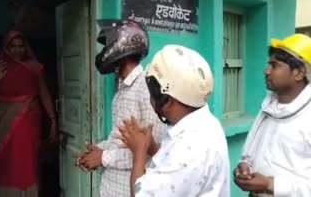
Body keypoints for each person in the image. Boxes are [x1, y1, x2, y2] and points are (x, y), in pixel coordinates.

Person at [117, 45, 230, 197]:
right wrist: (153, 148)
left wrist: (139, 152)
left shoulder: (188, 149)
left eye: (151, 91)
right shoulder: (208, 123)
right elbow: (174, 171)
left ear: (167, 100)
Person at [76, 19, 165, 197]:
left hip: (130, 190)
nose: (103, 51)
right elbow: (118, 138)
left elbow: (151, 150)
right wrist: (98, 150)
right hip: (111, 187)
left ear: (122, 46)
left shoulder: (145, 88)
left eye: (107, 44)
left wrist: (102, 158)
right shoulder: (122, 89)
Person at [234, 34, 311, 197]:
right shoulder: (269, 106)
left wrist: (271, 184)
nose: (266, 71)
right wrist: (245, 165)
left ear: (299, 73)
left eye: (274, 66)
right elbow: (251, 152)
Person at [0, 30, 57, 197]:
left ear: (26, 48)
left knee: (26, 163)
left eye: (21, 46)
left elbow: (43, 94)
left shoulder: (34, 68)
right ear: (6, 47)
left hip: (28, 123)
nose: (17, 50)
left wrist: (52, 119)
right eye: (13, 46)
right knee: (5, 162)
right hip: (2, 123)